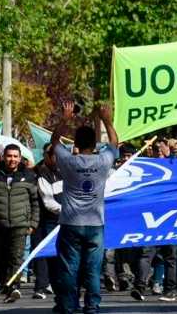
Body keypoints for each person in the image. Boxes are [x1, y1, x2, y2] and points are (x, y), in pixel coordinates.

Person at [49, 101, 119, 314]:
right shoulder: (103, 161)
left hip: (71, 222)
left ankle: (68, 306)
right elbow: (114, 143)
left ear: (76, 143)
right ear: (95, 145)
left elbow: (54, 141)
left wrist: (65, 119)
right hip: (95, 224)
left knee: (69, 269)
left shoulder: (69, 161)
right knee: (93, 270)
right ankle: (92, 306)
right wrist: (107, 120)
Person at [0, 143, 39, 302]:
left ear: (20, 158)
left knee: (16, 257)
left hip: (21, 224)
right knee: (2, 258)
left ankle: (14, 287)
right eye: (9, 156)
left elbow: (35, 202)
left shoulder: (29, 175)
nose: (12, 159)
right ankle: (6, 285)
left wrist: (33, 223)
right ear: (4, 157)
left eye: (15, 156)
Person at [33, 143, 63, 300]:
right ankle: (45, 286)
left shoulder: (67, 171)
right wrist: (69, 211)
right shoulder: (42, 174)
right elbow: (49, 202)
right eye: (53, 154)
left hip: (68, 221)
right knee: (51, 256)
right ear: (46, 156)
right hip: (51, 221)